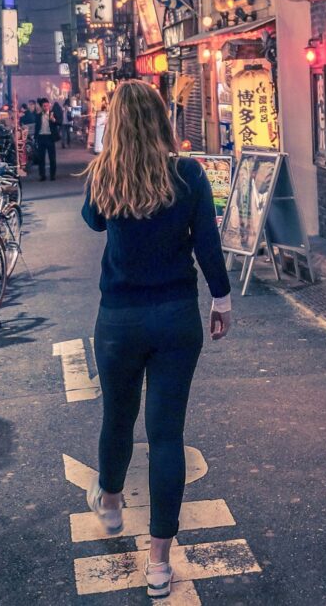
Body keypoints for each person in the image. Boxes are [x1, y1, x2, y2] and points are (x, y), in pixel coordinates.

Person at [81, 80, 232, 599]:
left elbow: (92, 222)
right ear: (163, 119)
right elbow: (207, 242)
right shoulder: (187, 173)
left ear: (116, 124)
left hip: (119, 320)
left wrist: (106, 158)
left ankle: (112, 501)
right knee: (166, 436)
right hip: (175, 318)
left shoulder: (106, 173)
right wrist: (222, 298)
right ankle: (160, 563)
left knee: (117, 420)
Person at [34, 97, 59, 181]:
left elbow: (59, 123)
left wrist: (53, 120)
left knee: (52, 158)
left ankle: (52, 175)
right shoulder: (38, 116)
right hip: (41, 138)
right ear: (42, 107)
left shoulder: (52, 114)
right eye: (44, 106)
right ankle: (42, 175)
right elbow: (37, 127)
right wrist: (35, 138)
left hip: (50, 138)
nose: (46, 107)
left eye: (47, 106)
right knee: (41, 158)